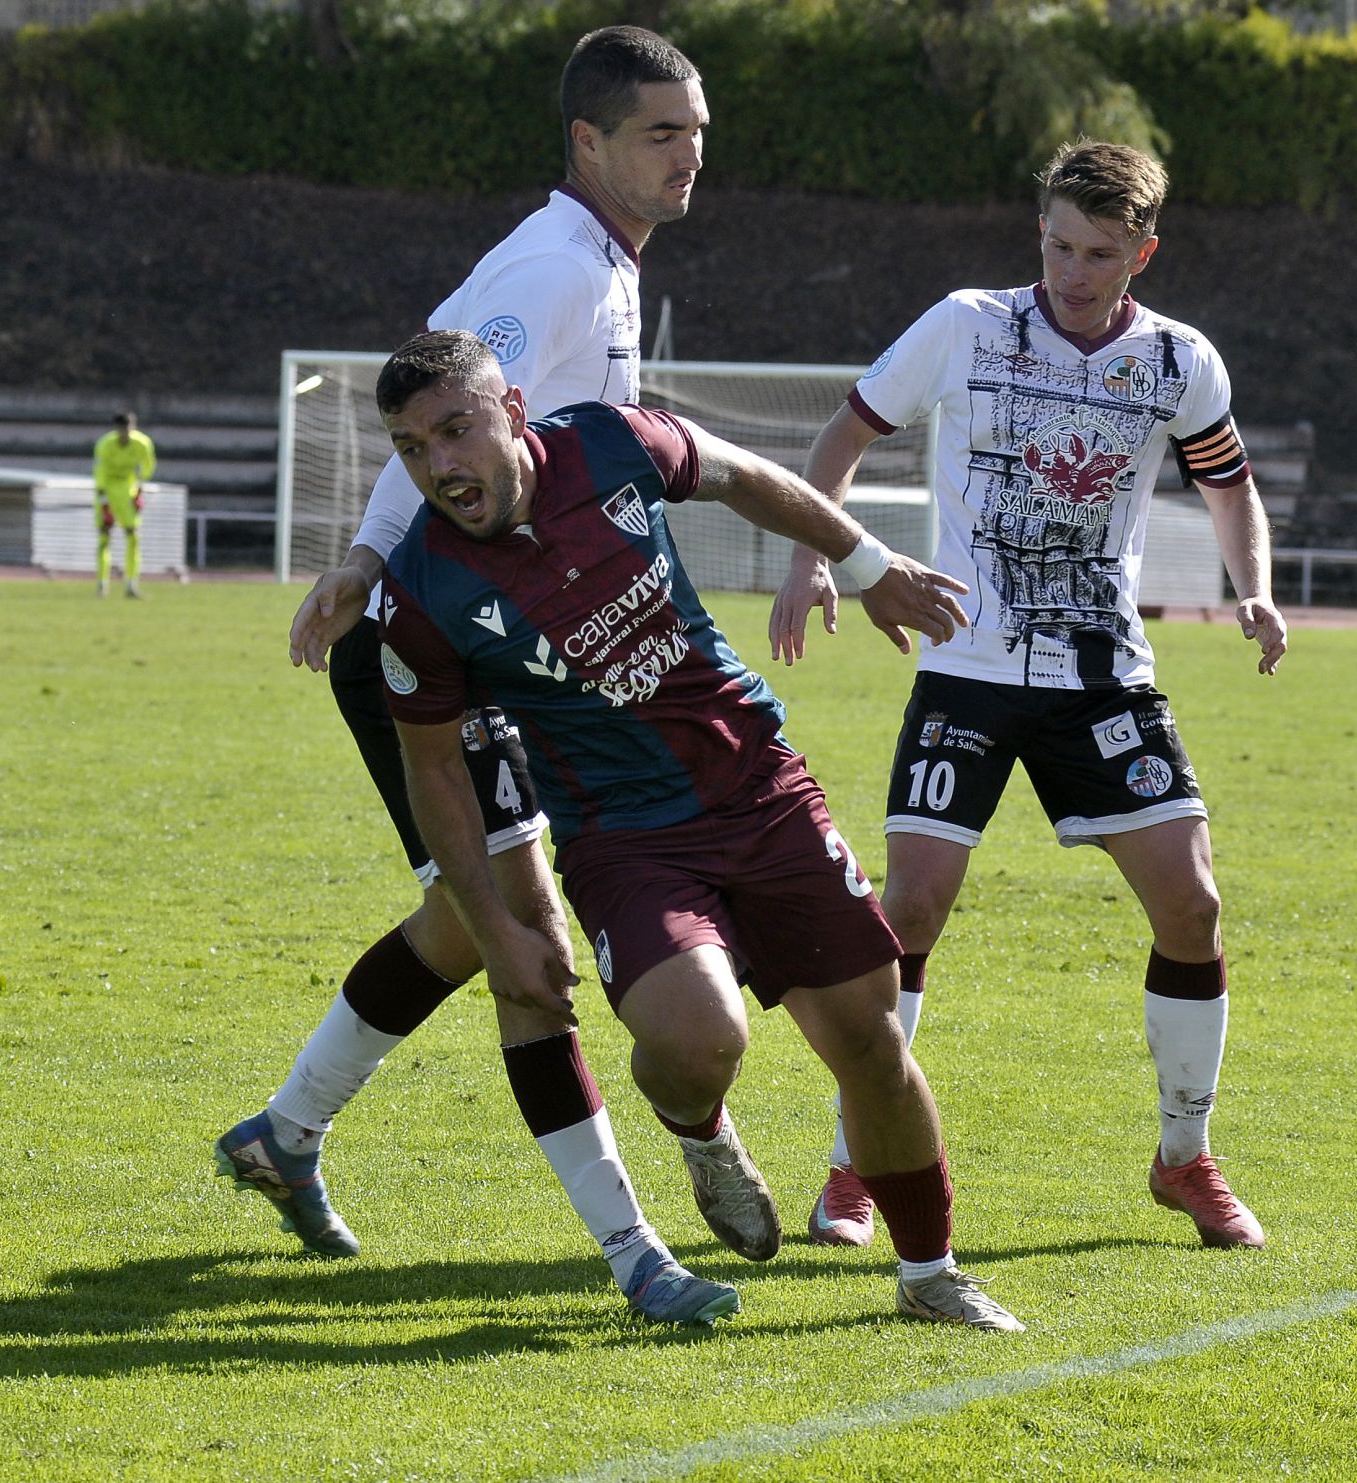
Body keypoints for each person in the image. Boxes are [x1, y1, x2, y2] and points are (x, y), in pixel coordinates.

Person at [218, 28, 760, 1329]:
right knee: (526, 942)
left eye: (695, 130)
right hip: (441, 638)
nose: (689, 154)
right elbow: (442, 398)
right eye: (659, 133)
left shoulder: (604, 271)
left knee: (476, 926)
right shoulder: (555, 266)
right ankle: (641, 1251)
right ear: (588, 143)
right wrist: (359, 562)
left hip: (525, 643)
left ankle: (285, 1134)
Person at [376, 329, 1021, 1329]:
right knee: (697, 1037)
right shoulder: (423, 591)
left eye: (455, 430)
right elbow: (435, 775)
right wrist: (496, 927)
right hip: (626, 840)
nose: (440, 466)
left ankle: (930, 1274)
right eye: (413, 447)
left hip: (760, 787)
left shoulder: (609, 444)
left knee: (870, 1037)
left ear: (509, 412)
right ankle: (701, 1128)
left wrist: (861, 561)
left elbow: (746, 472)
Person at [769, 139, 1286, 1253]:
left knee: (1191, 904)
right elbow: (847, 432)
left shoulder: (1178, 362)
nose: (1071, 268)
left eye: (1099, 252)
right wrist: (816, 556)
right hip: (967, 660)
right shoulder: (964, 323)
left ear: (1142, 253)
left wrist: (1256, 592)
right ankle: (859, 1160)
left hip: (1103, 672)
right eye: (1057, 242)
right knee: (909, 908)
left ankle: (1185, 1155)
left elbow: (1229, 486)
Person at [93, 411, 155, 598]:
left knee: (133, 537)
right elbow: (99, 470)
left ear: (133, 427)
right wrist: (103, 499)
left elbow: (148, 466)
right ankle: (102, 585)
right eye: (121, 428)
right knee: (104, 537)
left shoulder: (142, 444)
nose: (125, 432)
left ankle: (131, 585)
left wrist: (140, 487)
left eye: (128, 428)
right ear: (116, 429)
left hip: (128, 492)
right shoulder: (105, 445)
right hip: (108, 492)